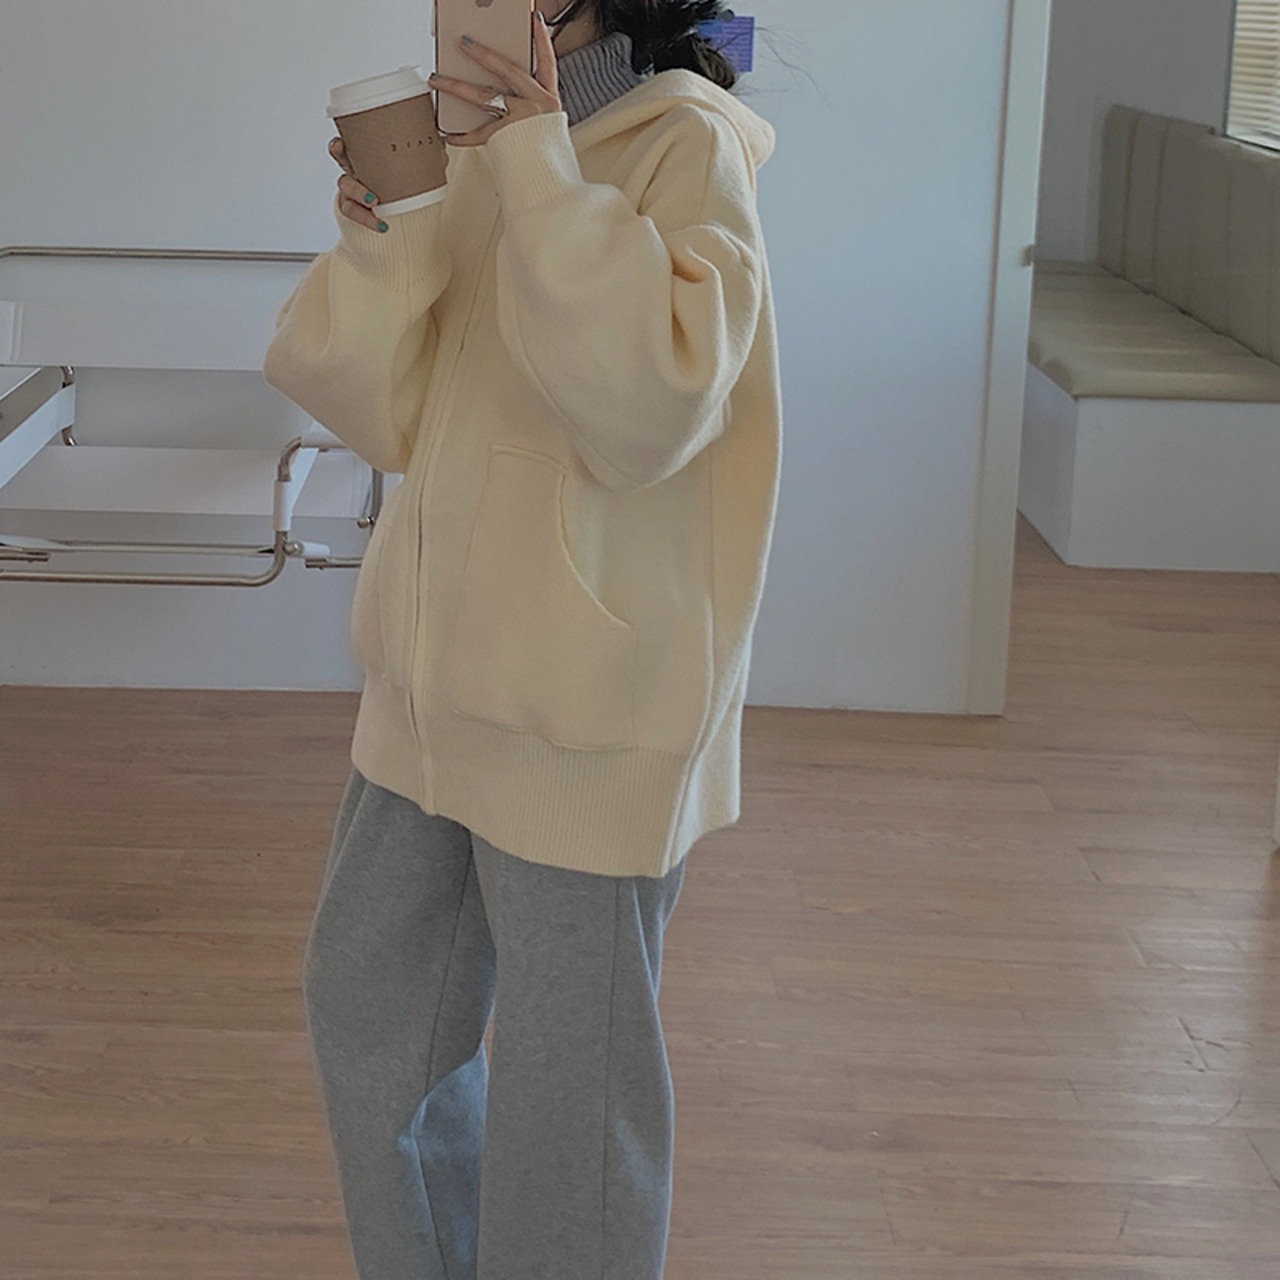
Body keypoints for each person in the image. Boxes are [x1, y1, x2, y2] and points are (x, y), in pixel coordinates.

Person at [260, 1, 781, 1275]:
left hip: (583, 711)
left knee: (569, 1096)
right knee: (367, 1010)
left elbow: (648, 411)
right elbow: (376, 414)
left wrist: (540, 164)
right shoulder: (476, 155)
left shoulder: (685, 144)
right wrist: (387, 235)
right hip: (426, 694)